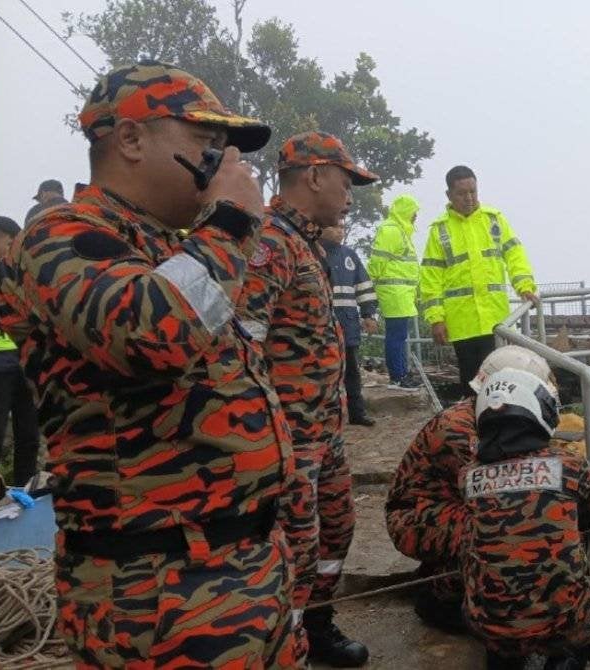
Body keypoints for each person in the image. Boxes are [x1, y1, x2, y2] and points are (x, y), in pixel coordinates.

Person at [0, 60, 296, 668]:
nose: (225, 163)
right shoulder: (61, 236)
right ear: (130, 139)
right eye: (206, 143)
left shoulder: (175, 243)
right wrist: (231, 221)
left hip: (251, 562)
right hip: (154, 589)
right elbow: (152, 334)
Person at [237, 130, 376, 666]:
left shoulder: (307, 244)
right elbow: (239, 344)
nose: (350, 193)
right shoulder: (270, 243)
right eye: (346, 180)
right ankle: (285, 648)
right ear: (315, 175)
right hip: (287, 439)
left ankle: (317, 624)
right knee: (293, 548)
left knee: (335, 532)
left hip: (324, 432)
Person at [385, 345, 590, 631]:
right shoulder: (459, 429)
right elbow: (507, 492)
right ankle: (443, 593)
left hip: (443, 511)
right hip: (417, 519)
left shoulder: (484, 416)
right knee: (504, 522)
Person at [462, 367, 590, 670]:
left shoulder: (468, 476)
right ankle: (568, 659)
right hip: (561, 623)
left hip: (486, 625)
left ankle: (505, 655)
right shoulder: (568, 466)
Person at [419, 165, 538, 392]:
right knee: (472, 384)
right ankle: (473, 426)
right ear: (449, 195)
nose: (469, 198)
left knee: (502, 381)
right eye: (462, 193)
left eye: (473, 191)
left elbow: (515, 255)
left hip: (497, 319)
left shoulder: (494, 220)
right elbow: (431, 277)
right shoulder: (440, 230)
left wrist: (524, 286)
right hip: (463, 324)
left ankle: (501, 425)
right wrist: (436, 318)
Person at [0, 216, 41, 486]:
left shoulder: (16, 270)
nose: (11, 249)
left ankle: (24, 487)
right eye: (8, 243)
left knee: (29, 433)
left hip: (21, 365)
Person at [320, 220, 379, 426]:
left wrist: (369, 315)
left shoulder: (350, 256)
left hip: (349, 326)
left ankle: (357, 414)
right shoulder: (313, 253)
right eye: (335, 227)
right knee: (325, 372)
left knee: (352, 372)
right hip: (322, 326)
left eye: (343, 228)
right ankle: (327, 416)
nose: (340, 232)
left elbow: (364, 287)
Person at [368, 194, 422, 390]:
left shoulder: (400, 231)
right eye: (414, 212)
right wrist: (370, 283)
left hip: (401, 293)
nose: (416, 217)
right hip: (394, 293)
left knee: (399, 336)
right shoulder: (391, 230)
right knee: (396, 336)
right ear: (405, 211)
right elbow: (378, 261)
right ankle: (398, 377)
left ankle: (401, 374)